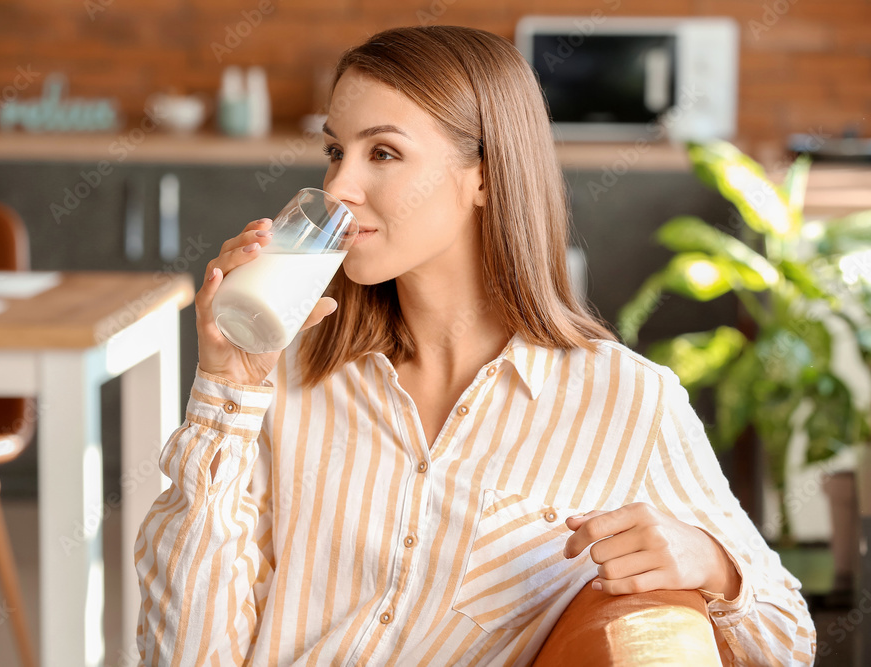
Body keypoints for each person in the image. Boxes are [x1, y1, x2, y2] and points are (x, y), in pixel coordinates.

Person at [134, 25, 816, 666]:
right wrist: (226, 389)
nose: (338, 188)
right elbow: (185, 650)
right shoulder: (284, 374)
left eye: (384, 152)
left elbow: (789, 637)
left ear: (484, 176)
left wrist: (715, 565)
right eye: (335, 150)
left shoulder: (625, 399)